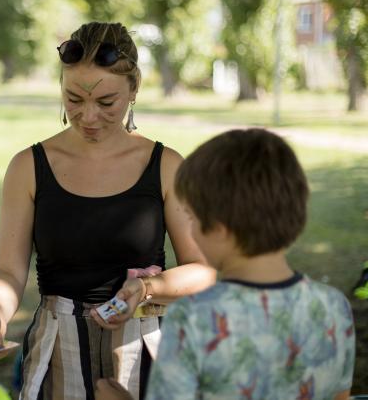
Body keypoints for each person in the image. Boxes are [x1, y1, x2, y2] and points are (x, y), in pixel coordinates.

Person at [0, 22, 216, 400]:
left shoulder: (166, 165)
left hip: (145, 351)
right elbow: (5, 270)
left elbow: (204, 272)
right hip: (57, 351)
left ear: (134, 90)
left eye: (106, 103)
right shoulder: (27, 167)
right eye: (73, 100)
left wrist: (148, 288)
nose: (88, 117)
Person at [95, 128, 356, 400]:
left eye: (192, 217)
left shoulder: (194, 317)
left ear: (218, 229)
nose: (191, 229)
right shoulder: (333, 305)